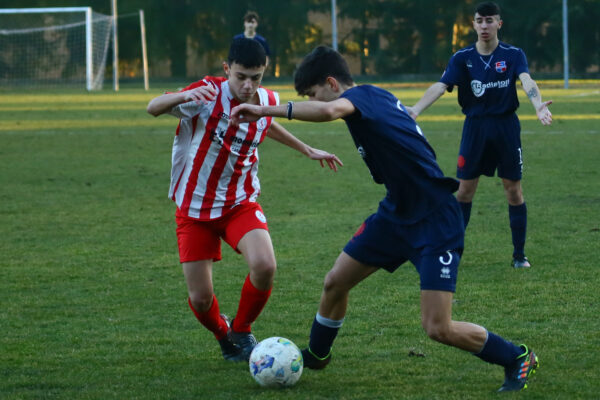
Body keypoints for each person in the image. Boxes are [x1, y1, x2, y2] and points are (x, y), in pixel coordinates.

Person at [230, 45, 539, 392]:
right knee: (335, 281)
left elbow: (331, 108)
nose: (314, 101)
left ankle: (516, 356)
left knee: (438, 327)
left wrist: (264, 110)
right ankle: (317, 354)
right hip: (395, 214)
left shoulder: (362, 97)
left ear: (332, 83)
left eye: (313, 95)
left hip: (435, 218)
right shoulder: (374, 100)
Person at [146, 38, 341, 362]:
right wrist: (184, 95)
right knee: (201, 299)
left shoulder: (265, 100)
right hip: (194, 209)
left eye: (256, 77)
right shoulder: (206, 93)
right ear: (227, 69)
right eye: (241, 77)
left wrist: (306, 149)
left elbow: (267, 122)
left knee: (265, 265)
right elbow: (153, 108)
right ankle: (224, 337)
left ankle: (241, 328)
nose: (249, 86)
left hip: (239, 202)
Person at [406, 1, 553, 269]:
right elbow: (441, 86)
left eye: (489, 20)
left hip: (505, 128)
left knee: (513, 191)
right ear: (473, 24)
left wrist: (537, 105)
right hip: (474, 128)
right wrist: (415, 110)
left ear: (499, 24)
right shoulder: (461, 58)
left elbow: (526, 80)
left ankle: (519, 255)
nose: (484, 26)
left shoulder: (513, 54)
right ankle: (454, 252)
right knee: (464, 192)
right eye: (479, 20)